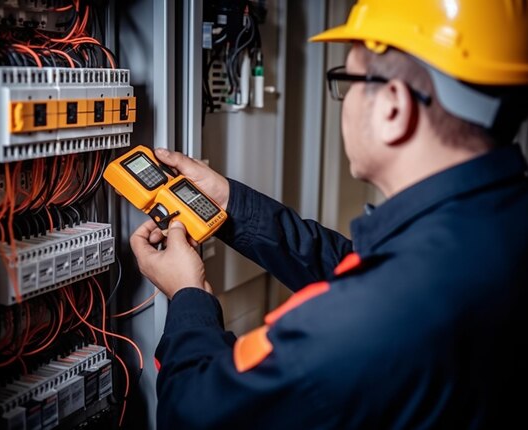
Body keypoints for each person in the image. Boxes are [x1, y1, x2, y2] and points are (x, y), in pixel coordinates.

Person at [130, 0, 528, 428]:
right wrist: (229, 205)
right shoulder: (488, 226)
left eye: (347, 80)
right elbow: (361, 269)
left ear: (393, 106)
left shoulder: (368, 318)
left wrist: (188, 296)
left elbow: (195, 413)